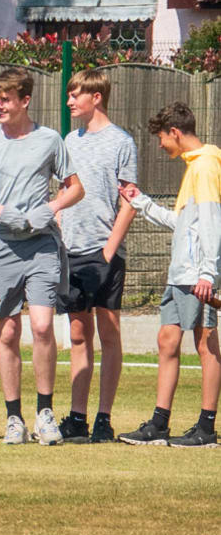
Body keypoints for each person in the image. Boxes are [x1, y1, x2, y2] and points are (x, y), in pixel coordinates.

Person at [0, 68, 83, 446]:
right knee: (8, 332)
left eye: (6, 100)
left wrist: (52, 206)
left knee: (42, 326)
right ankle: (14, 418)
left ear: (25, 100)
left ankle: (45, 413)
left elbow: (76, 189)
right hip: (2, 246)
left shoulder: (49, 140)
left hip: (42, 243)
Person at [116, 103, 221, 447]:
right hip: (179, 275)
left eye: (162, 137)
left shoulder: (205, 166)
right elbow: (183, 225)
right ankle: (159, 424)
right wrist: (141, 202)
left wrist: (208, 273)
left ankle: (206, 428)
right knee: (167, 340)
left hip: (196, 276)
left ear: (175, 132)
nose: (160, 145)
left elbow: (211, 223)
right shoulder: (194, 167)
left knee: (206, 345)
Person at [55, 69, 137, 443]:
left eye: (76, 95)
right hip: (70, 250)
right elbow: (62, 191)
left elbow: (129, 201)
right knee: (76, 332)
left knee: (108, 330)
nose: (70, 101)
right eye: (69, 95)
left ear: (96, 97)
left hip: (104, 251)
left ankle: (104, 417)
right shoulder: (68, 140)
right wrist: (56, 224)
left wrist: (108, 250)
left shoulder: (121, 142)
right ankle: (77, 417)